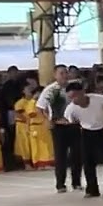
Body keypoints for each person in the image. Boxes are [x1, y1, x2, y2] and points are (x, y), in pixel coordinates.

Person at [62, 82, 103, 197]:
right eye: (71, 98)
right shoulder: (71, 109)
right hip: (88, 131)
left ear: (83, 92)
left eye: (75, 96)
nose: (74, 100)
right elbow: (72, 121)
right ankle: (92, 189)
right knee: (88, 161)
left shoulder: (100, 99)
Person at [37, 65, 83, 193]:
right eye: (61, 73)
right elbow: (40, 107)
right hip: (59, 126)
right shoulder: (50, 90)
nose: (64, 75)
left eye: (66, 73)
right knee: (60, 156)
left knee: (77, 155)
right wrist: (46, 120)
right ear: (55, 75)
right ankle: (60, 184)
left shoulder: (74, 87)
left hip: (74, 125)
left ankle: (77, 182)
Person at [24, 85, 54, 169]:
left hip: (44, 125)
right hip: (35, 126)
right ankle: (39, 164)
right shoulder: (32, 102)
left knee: (47, 145)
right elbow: (31, 114)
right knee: (37, 146)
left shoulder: (44, 102)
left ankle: (47, 163)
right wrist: (41, 110)